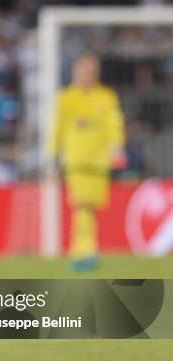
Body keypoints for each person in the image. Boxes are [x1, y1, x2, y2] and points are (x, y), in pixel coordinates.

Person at [48, 54, 125, 271]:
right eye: (83, 70)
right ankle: (83, 251)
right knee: (81, 203)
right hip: (75, 160)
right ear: (76, 72)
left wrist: (117, 149)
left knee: (89, 207)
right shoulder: (66, 98)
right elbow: (58, 128)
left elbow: (115, 124)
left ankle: (84, 250)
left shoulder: (106, 96)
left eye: (91, 70)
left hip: (99, 161)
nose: (87, 74)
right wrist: (53, 156)